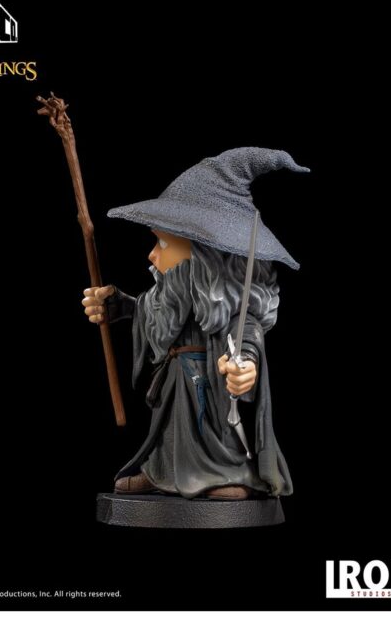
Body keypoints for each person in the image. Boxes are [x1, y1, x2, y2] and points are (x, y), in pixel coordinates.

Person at [81, 147, 309, 501]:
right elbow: (157, 313)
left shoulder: (227, 308)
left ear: (204, 256)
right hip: (174, 384)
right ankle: (162, 471)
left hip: (209, 388)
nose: (152, 254)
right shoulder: (175, 292)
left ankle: (225, 473)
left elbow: (246, 338)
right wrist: (121, 306)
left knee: (210, 428)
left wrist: (245, 368)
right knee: (169, 431)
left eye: (163, 243)